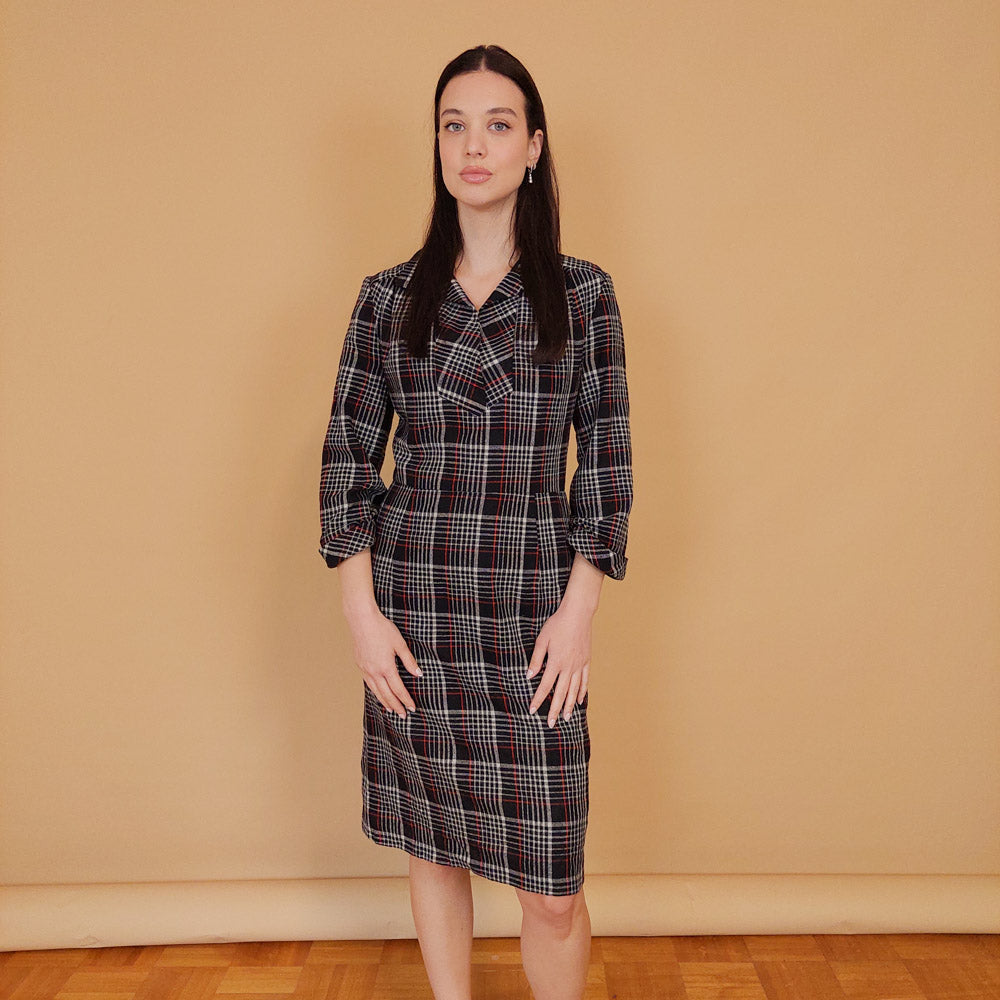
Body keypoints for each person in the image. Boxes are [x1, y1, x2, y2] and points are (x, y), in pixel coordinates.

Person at [318, 43, 633, 1000]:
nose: (473, 145)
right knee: (433, 845)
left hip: (535, 619)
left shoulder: (583, 296)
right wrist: (363, 617)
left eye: (498, 125)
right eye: (454, 125)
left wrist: (577, 614)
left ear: (533, 147)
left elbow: (606, 466)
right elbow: (346, 464)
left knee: (552, 892)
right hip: (417, 614)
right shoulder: (388, 298)